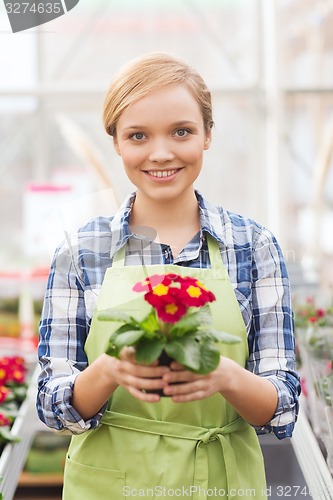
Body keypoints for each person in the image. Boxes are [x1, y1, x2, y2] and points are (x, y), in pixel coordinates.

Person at [37, 52, 300, 500]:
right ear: (117, 142)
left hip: (223, 480)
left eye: (182, 131)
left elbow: (281, 408)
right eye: (138, 135)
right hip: (110, 483)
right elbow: (52, 403)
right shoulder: (80, 252)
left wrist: (224, 375)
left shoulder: (253, 246)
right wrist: (110, 369)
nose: (161, 152)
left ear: (208, 135)